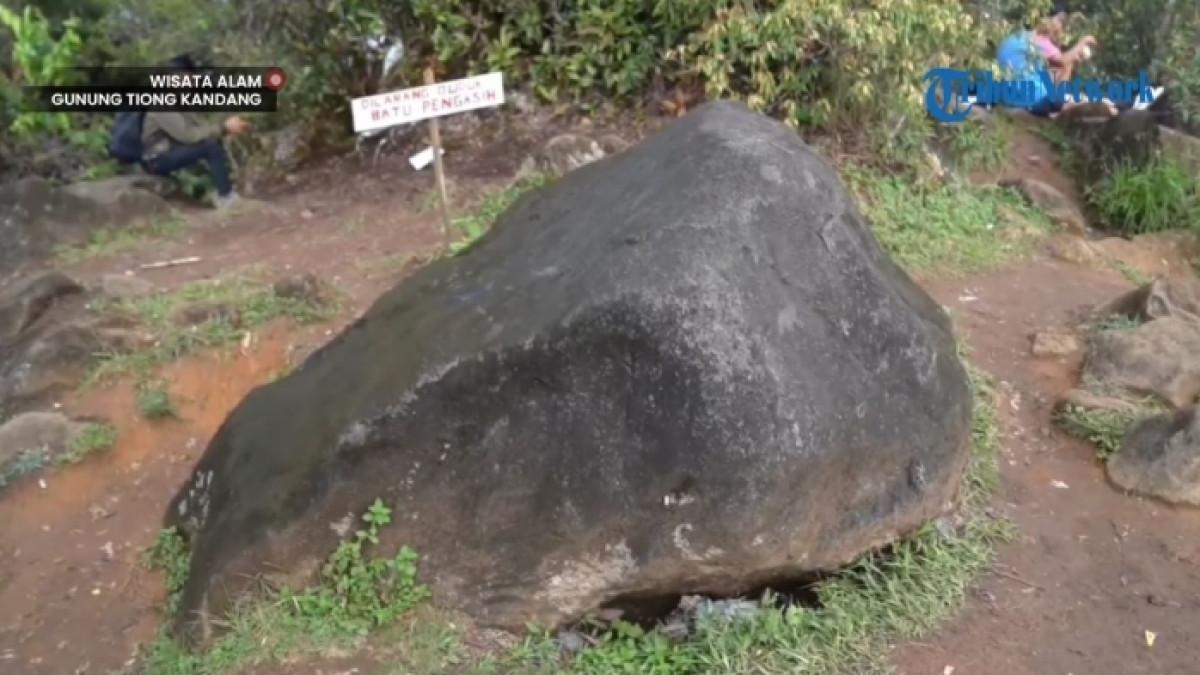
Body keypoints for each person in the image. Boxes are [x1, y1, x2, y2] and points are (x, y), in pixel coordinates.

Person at [140, 55, 252, 209]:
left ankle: (222, 191)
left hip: (171, 151)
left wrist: (223, 129)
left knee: (212, 143)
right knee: (210, 147)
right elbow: (188, 135)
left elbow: (198, 128)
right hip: (157, 160)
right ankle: (226, 197)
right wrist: (223, 128)